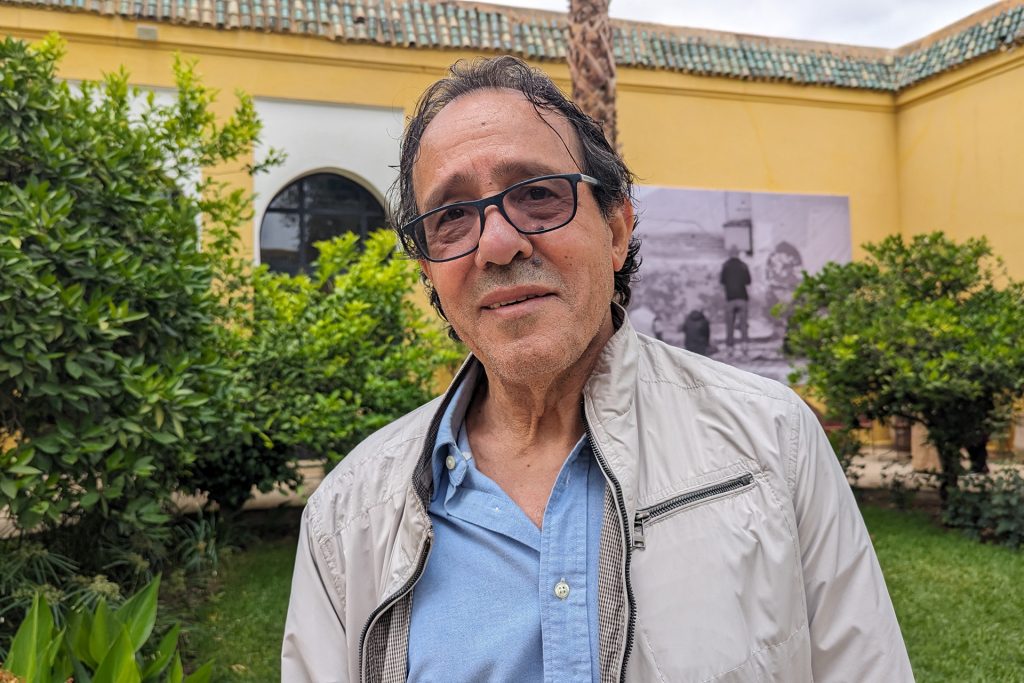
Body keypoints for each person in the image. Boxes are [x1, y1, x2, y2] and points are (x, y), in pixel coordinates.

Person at [282, 56, 913, 682]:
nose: (497, 245)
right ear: (430, 271)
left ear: (615, 230)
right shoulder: (348, 516)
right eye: (451, 217)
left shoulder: (773, 443)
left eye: (537, 194)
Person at [720, 245, 751, 349]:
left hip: (730, 298)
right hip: (742, 297)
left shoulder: (725, 266)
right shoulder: (743, 266)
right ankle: (744, 344)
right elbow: (748, 281)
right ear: (738, 254)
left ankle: (730, 346)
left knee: (730, 324)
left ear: (729, 254)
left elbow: (722, 281)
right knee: (743, 323)